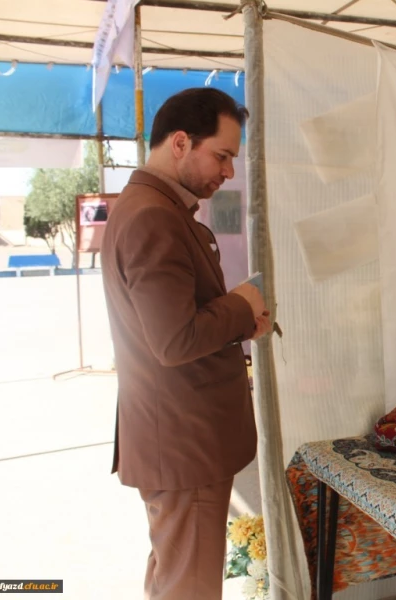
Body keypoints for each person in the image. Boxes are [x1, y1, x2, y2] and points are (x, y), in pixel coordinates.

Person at [100, 88, 271, 599]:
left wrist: (241, 320)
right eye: (221, 155)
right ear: (180, 142)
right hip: (183, 441)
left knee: (176, 574)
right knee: (189, 587)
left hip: (177, 439)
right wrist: (242, 304)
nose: (228, 172)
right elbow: (175, 339)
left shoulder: (154, 208)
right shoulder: (154, 216)